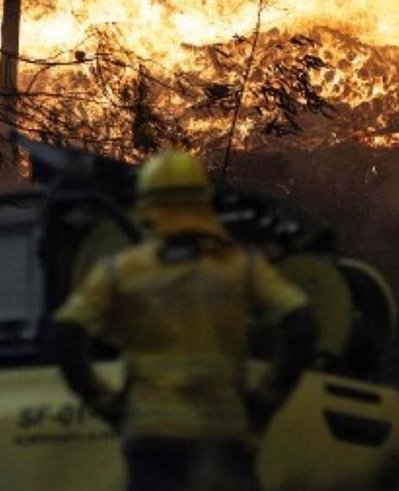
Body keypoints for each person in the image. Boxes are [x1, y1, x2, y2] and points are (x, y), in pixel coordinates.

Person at [52, 149, 317, 491]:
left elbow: (66, 332)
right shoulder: (241, 267)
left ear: (146, 205)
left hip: (152, 438)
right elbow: (301, 323)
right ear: (206, 202)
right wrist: (268, 396)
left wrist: (106, 403)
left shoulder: (121, 271)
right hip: (222, 433)